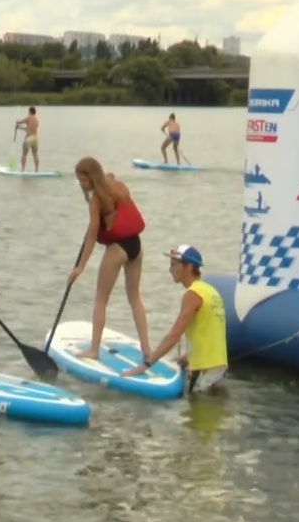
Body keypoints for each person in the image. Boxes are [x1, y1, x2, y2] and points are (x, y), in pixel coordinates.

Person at [68, 156, 151, 361]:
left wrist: (80, 267)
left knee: (100, 300)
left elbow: (92, 235)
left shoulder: (97, 199)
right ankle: (147, 350)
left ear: (93, 178)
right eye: (79, 180)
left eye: (84, 180)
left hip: (118, 249)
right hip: (136, 246)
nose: (81, 184)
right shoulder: (118, 185)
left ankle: (94, 350)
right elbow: (110, 179)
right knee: (135, 298)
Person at [120, 245, 228, 395]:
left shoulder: (193, 294)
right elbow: (209, 332)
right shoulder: (210, 291)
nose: (170, 269)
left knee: (198, 415)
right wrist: (187, 357)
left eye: (174, 265)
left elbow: (174, 335)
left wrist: (146, 364)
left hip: (204, 370)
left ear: (189, 267)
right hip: (219, 368)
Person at [15, 106, 41, 172]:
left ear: (30, 111)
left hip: (29, 139)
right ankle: (37, 169)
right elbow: (28, 129)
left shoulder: (29, 117)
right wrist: (19, 128)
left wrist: (17, 123)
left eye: (28, 112)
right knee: (35, 154)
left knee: (24, 154)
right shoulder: (36, 119)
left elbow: (21, 121)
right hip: (35, 138)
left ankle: (22, 169)